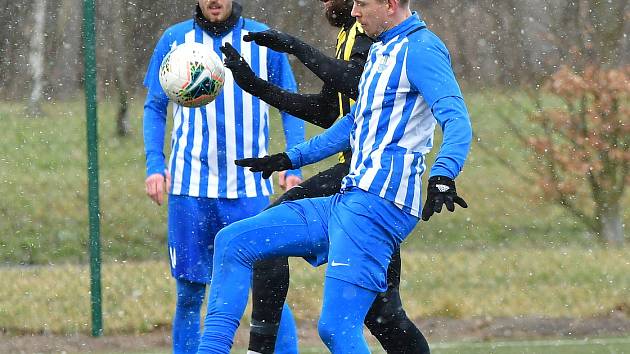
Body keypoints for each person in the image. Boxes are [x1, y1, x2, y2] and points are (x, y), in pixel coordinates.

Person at [197, 0, 472, 352]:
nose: (354, 12)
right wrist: (288, 158)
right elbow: (352, 124)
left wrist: (443, 175)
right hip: (348, 198)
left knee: (337, 328)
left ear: (389, 4)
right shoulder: (381, 52)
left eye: (362, 3)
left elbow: (457, 119)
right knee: (233, 242)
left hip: (379, 206)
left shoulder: (422, 49)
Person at [142, 1, 305, 353]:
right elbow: (155, 106)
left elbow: (291, 105)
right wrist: (155, 164)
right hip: (189, 189)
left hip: (248, 188)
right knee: (189, 293)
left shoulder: (263, 42)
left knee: (268, 289)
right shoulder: (175, 41)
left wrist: (293, 164)